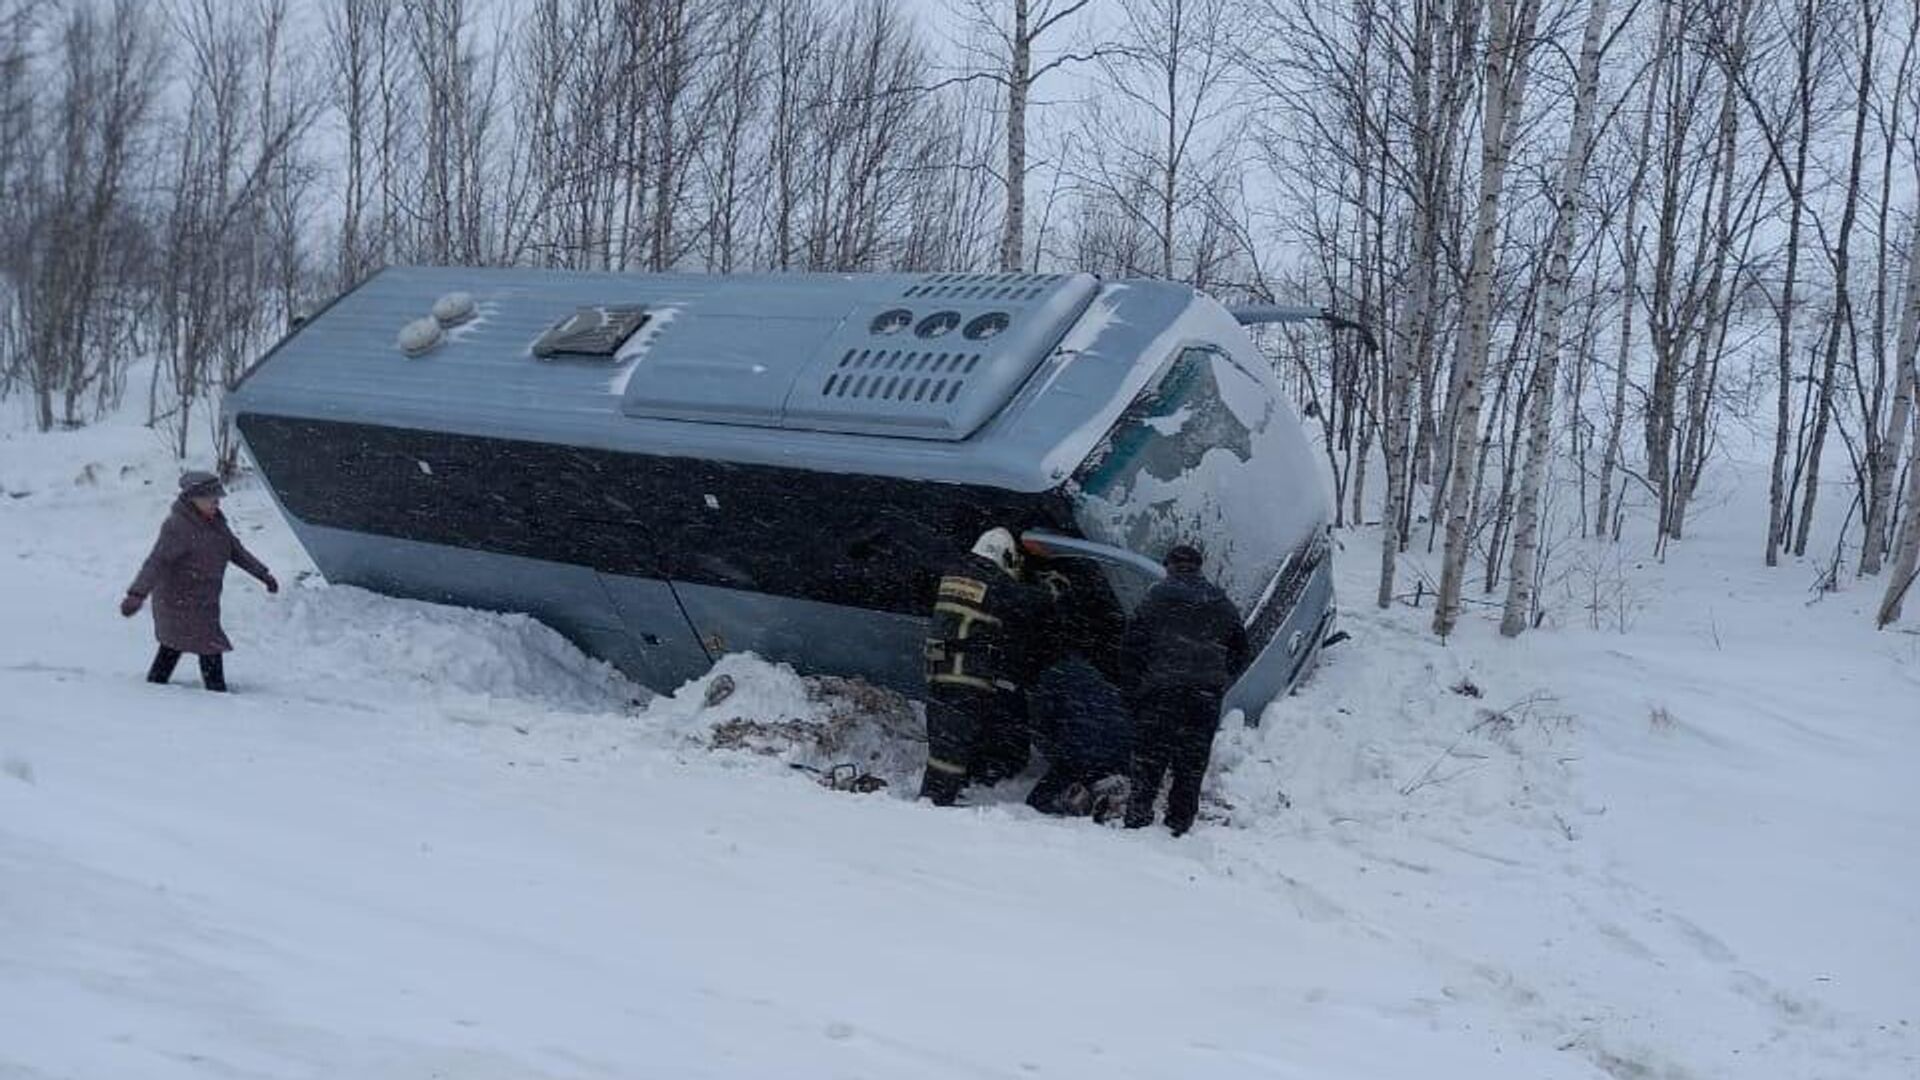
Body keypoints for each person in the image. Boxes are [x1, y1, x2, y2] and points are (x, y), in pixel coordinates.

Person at [1121, 544, 1249, 836]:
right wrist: (1219, 680)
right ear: (1198, 567)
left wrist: (1134, 687)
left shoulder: (1155, 598)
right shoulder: (1220, 602)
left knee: (1150, 761)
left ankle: (1137, 820)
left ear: (1169, 567)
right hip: (1204, 698)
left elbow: (1131, 647)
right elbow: (1241, 651)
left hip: (1161, 693)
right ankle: (1179, 825)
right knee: (1191, 765)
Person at [918, 527, 1052, 805]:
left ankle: (937, 794)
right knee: (952, 746)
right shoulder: (991, 579)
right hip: (963, 673)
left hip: (939, 669)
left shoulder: (955, 571)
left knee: (944, 740)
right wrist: (1053, 586)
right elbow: (1030, 602)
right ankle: (935, 804)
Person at [120, 471, 279, 692]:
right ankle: (215, 692)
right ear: (192, 499)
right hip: (177, 600)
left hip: (203, 600)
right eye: (211, 498)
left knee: (174, 645)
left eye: (218, 498)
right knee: (206, 644)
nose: (216, 502)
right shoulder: (178, 526)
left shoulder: (216, 524)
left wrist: (263, 574)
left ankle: (156, 686)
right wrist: (136, 594)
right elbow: (156, 561)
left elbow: (237, 551)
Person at [1025, 650, 1132, 817]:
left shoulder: (1052, 677)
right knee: (1091, 765)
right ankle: (1104, 792)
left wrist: (1050, 749)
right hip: (1120, 751)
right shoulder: (1101, 682)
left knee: (1036, 803)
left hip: (1080, 751)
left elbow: (1041, 719)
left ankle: (1076, 798)